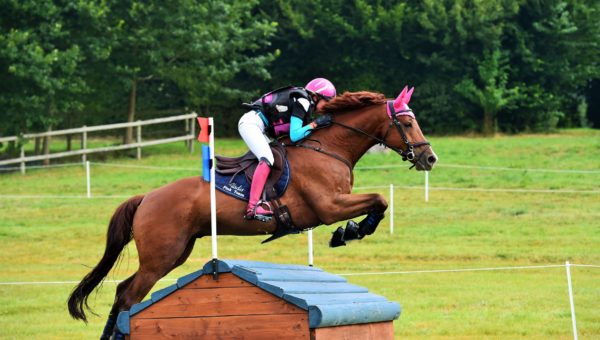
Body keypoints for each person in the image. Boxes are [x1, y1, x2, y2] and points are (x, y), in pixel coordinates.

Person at [238, 77, 336, 221]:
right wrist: (316, 124)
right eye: (326, 101)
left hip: (260, 127)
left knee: (277, 158)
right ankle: (252, 207)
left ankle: (266, 198)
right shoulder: (303, 101)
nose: (327, 106)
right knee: (268, 158)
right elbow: (295, 135)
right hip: (251, 124)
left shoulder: (304, 99)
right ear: (316, 96)